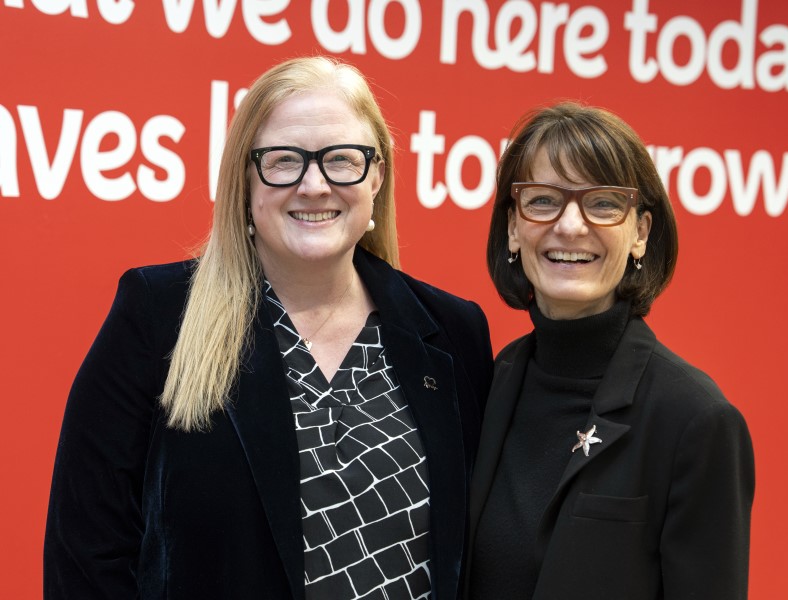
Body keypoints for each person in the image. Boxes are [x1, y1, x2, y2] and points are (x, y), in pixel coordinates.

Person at [44, 56, 493, 600]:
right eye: (284, 161)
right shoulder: (158, 315)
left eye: (342, 160)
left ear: (377, 175)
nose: (314, 185)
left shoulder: (453, 333)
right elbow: (86, 553)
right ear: (245, 177)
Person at [467, 102, 754, 600]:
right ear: (513, 226)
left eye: (603, 203)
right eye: (542, 200)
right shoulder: (489, 380)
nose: (571, 226)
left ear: (640, 233)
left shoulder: (696, 420)